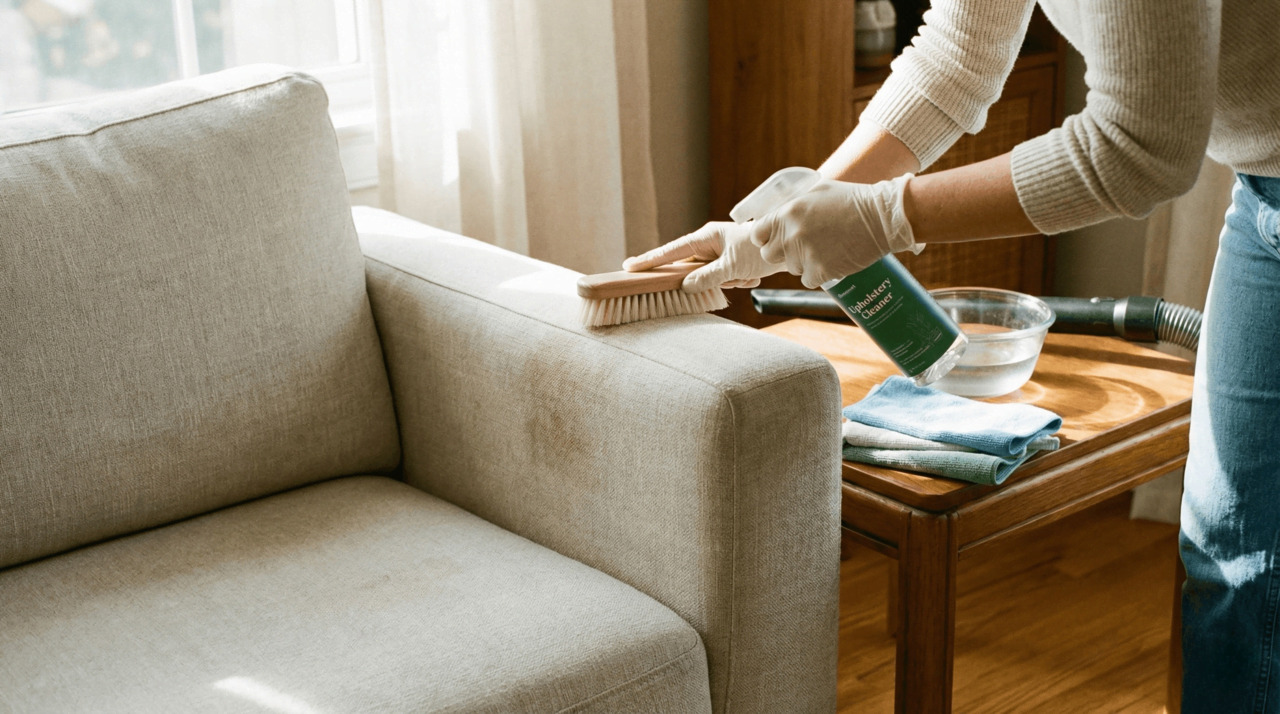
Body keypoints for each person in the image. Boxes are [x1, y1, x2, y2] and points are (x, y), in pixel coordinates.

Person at [624, 1, 1280, 710]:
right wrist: (779, 225)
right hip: (1263, 181)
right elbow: (961, 52)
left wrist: (880, 215)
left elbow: (1139, 146)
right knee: (1236, 563)